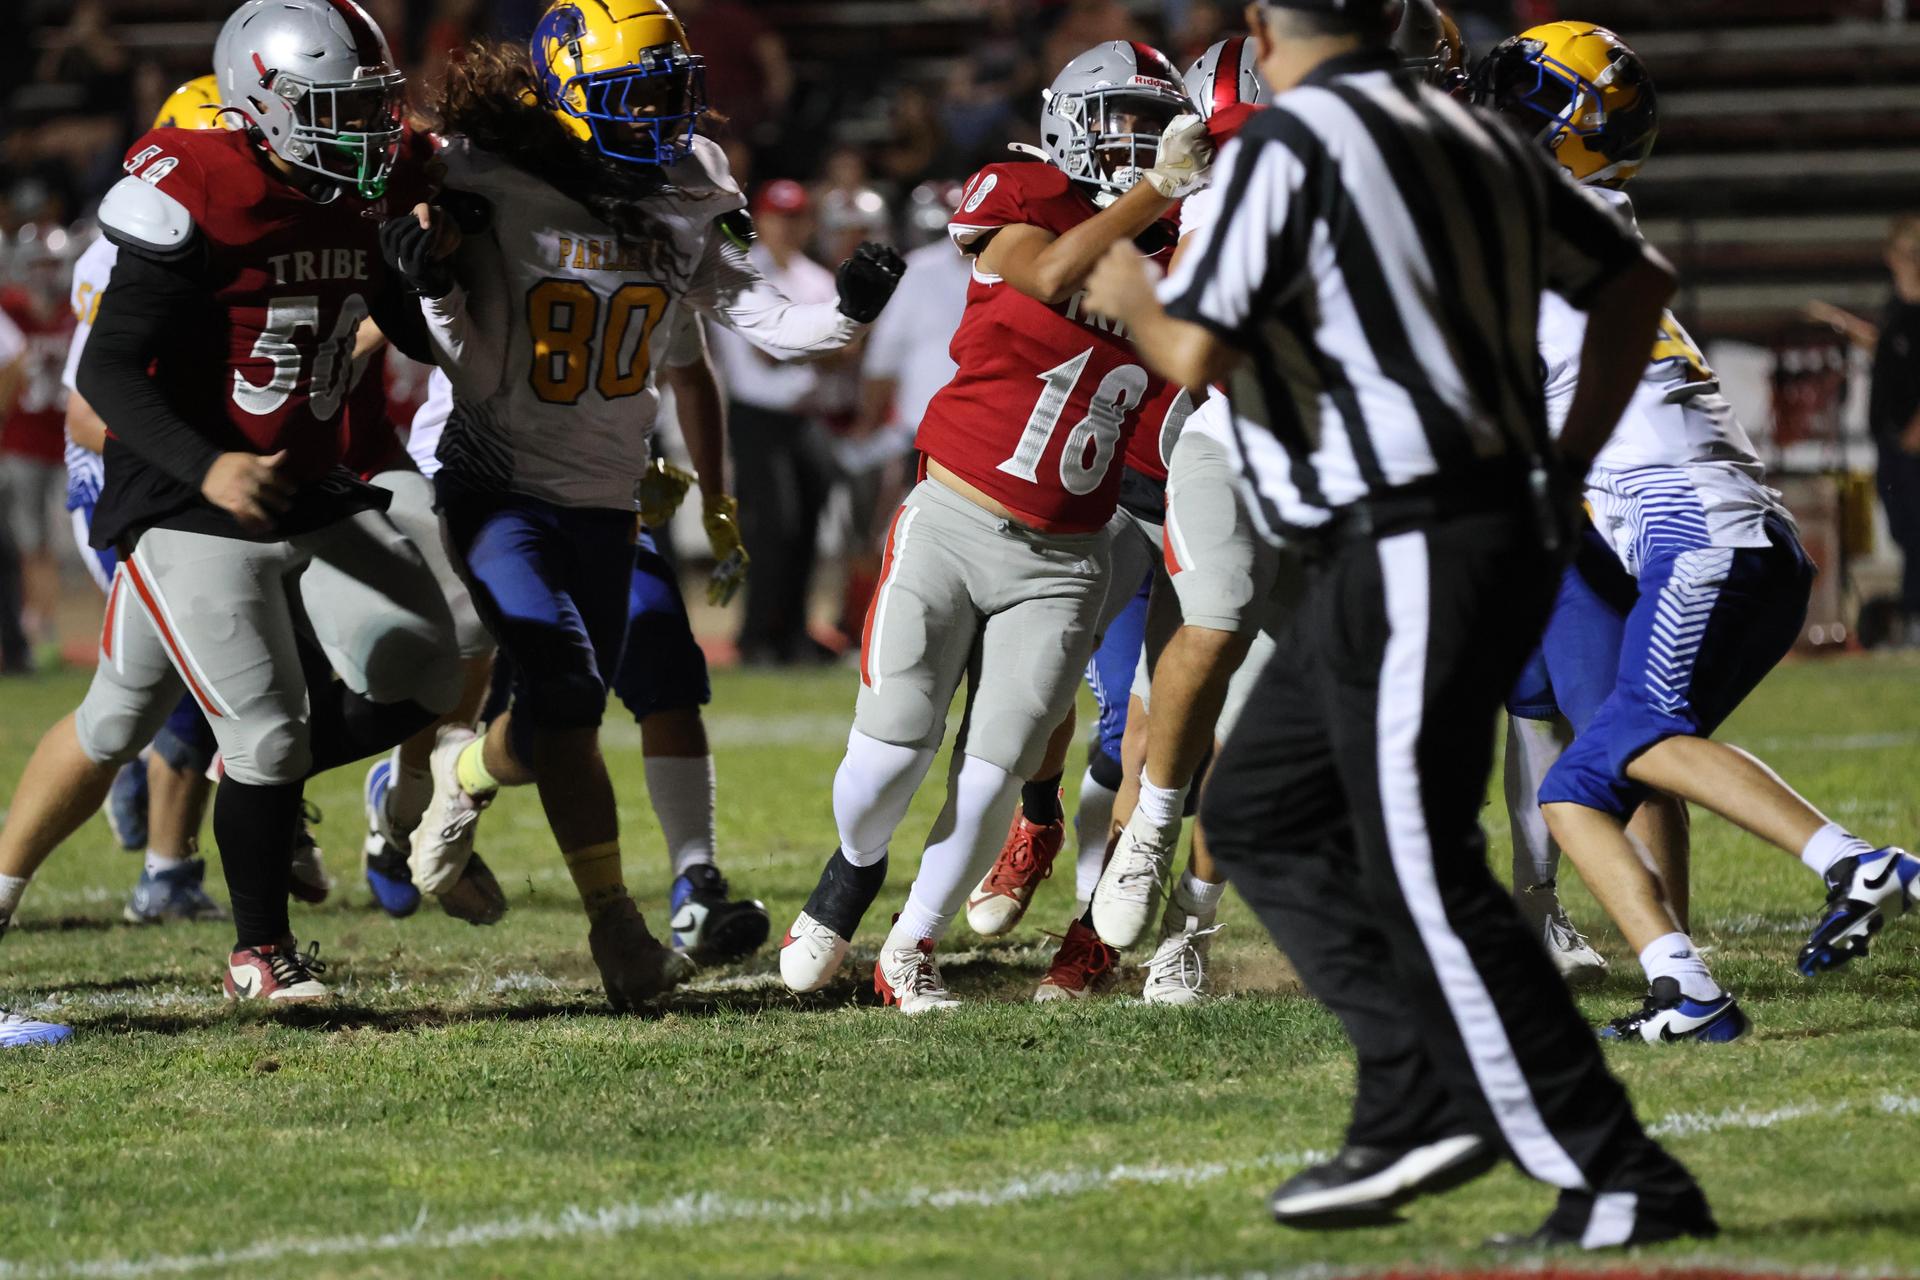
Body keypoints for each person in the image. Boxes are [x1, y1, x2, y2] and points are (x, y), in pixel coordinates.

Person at [1083, 0, 1714, 1245]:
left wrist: (1126, 289)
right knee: (1260, 807)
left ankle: (1547, 1142)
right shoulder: (1463, 131)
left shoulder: (1292, 142)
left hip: (1418, 533)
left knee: (1422, 864)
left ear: (1266, 25)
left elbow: (1200, 348)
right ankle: (1417, 1086)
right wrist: (1562, 452)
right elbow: (1636, 278)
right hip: (1444, 532)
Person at [393, 0, 899, 1009]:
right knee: (571, 690)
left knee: (548, 722)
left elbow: (761, 320)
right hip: (495, 477)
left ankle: (457, 783)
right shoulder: (487, 173)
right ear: (569, 92)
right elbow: (464, 356)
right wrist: (437, 284)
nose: (664, 116)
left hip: (604, 489)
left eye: (673, 91)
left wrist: (846, 310)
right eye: (637, 95)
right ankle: (619, 927)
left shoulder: (687, 182)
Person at [1471, 22, 1918, 1039]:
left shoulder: (1540, 223)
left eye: (1523, 96)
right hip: (1698, 537)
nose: (1495, 112)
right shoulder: (1576, 215)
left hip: (1701, 538)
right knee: (1586, 782)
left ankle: (1858, 861)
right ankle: (1683, 985)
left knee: (1641, 734)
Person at [776, 40, 1212, 1014]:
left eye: (1158, 130)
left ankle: (910, 948)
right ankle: (851, 872)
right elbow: (1055, 271)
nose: (1143, 147)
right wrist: (1156, 195)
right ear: (1068, 123)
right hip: (955, 513)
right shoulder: (1020, 189)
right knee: (888, 754)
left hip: (1069, 552)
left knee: (997, 762)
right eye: (1125, 126)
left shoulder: (1184, 242)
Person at [73, 0, 462, 1003]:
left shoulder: (359, 187)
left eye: (371, 105)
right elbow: (110, 374)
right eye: (338, 107)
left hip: (310, 483)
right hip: (185, 498)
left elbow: (410, 339)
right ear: (263, 104)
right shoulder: (198, 188)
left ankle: (258, 784)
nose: (366, 130)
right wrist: (208, 469)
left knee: (428, 664)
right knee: (237, 729)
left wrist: (427, 286)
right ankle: (260, 946)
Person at [711, 181, 845, 667]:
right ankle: (756, 637)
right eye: (778, 216)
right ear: (761, 220)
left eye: (795, 217)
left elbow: (842, 352)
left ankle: (792, 633)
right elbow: (768, 353)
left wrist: (808, 350)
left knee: (809, 521)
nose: (787, 227)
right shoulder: (743, 271)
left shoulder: (816, 278)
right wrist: (815, 349)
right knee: (771, 526)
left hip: (806, 418)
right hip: (757, 417)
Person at [0, 226, 78, 660]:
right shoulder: (10, 312)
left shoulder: (76, 308)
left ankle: (48, 626)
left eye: (51, 264)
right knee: (30, 540)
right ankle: (35, 625)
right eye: (37, 265)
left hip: (69, 438)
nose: (45, 274)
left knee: (77, 537)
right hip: (23, 439)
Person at [1868, 214, 1920, 644]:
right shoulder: (1896, 306)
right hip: (1890, 436)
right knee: (1903, 528)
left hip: (1912, 437)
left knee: (1917, 530)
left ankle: (1914, 618)